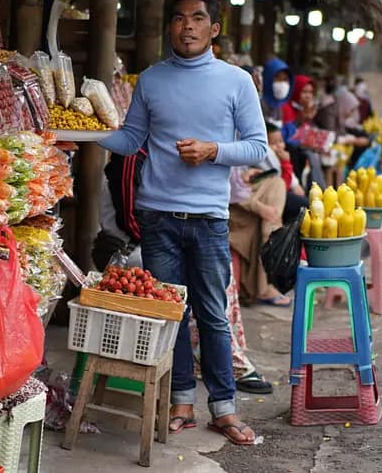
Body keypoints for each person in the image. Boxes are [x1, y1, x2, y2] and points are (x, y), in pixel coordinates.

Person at [98, 0, 268, 445]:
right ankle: (181, 404)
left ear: (214, 30)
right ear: (169, 27)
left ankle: (225, 408)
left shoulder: (236, 82)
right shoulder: (151, 80)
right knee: (170, 314)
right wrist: (87, 134)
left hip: (210, 219)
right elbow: (133, 138)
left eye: (197, 18)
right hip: (157, 218)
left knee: (212, 315)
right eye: (178, 18)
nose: (186, 26)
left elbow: (257, 146)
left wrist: (214, 151)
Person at [93, 151, 274, 395]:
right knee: (182, 297)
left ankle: (220, 372)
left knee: (216, 291)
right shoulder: (131, 157)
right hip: (129, 246)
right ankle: (196, 378)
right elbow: (130, 222)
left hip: (164, 237)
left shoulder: (170, 152)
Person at [228, 164, 289, 307]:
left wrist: (245, 173)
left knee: (277, 185)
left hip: (240, 191)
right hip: (231, 203)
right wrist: (258, 207)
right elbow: (225, 186)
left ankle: (266, 286)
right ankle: (265, 286)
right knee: (278, 190)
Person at [282, 75, 326, 189]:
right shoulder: (286, 108)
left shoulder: (303, 109)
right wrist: (301, 120)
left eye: (311, 92)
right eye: (304, 91)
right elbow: (287, 134)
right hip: (290, 150)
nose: (308, 96)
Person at [258, 58, 293, 124]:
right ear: (267, 78)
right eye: (277, 78)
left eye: (285, 79)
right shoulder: (258, 105)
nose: (282, 83)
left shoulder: (279, 106)